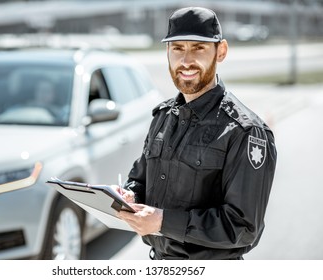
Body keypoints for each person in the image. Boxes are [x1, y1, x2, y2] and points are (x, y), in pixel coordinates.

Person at [117, 7, 277, 260]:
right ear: (167, 53)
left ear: (220, 51)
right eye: (178, 48)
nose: (186, 61)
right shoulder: (163, 117)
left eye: (198, 48)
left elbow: (244, 228)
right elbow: (140, 178)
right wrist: (129, 195)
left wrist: (162, 221)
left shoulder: (245, 132)